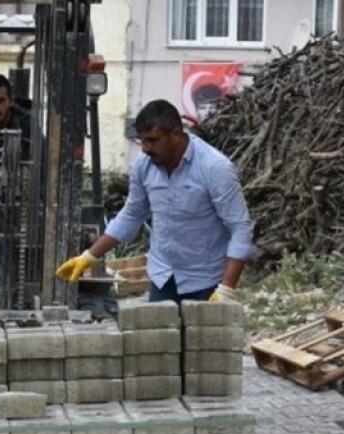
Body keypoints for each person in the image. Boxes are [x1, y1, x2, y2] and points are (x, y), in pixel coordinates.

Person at [56, 99, 255, 303]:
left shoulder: (215, 168)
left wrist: (226, 289)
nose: (144, 148)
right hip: (163, 277)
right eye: (142, 140)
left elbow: (240, 227)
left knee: (200, 336)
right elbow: (132, 214)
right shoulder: (145, 166)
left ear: (176, 135)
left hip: (205, 281)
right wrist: (89, 257)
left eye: (152, 140)